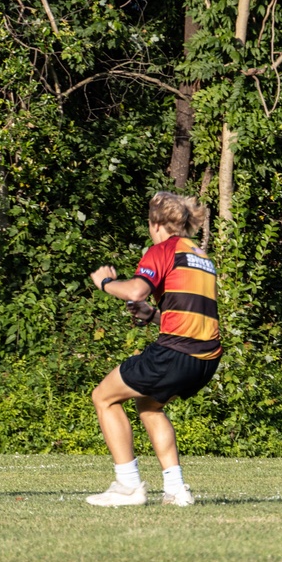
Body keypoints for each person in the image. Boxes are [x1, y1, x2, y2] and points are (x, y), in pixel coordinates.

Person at [87, 191, 221, 507]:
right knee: (149, 406)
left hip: (175, 353)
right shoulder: (200, 255)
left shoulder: (164, 248)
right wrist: (152, 314)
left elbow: (136, 289)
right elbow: (189, 309)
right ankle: (176, 491)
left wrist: (106, 284)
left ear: (155, 223)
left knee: (103, 397)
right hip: (206, 359)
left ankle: (128, 486)